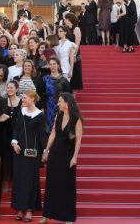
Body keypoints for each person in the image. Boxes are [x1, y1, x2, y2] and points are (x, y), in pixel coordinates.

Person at [41, 93, 83, 224]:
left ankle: (68, 216)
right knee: (51, 184)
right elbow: (53, 133)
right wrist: (46, 150)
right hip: (55, 154)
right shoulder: (58, 116)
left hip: (68, 156)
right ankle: (46, 214)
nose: (58, 103)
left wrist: (75, 157)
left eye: (60, 101)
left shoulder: (76, 119)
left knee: (67, 186)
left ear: (67, 103)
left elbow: (78, 139)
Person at [11, 89, 47, 222]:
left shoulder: (40, 115)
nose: (23, 100)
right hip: (19, 151)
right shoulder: (21, 111)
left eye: (25, 98)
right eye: (22, 98)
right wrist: (14, 143)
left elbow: (42, 135)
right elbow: (16, 129)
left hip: (33, 152)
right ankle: (20, 208)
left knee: (31, 180)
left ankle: (30, 210)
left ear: (32, 99)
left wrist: (45, 151)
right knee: (20, 180)